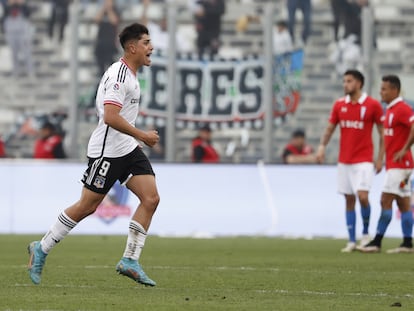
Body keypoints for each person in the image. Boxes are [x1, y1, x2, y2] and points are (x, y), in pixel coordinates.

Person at [27, 23, 160, 287]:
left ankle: (130, 260)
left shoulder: (132, 75)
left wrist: (134, 139)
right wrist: (142, 134)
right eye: (146, 42)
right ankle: (41, 247)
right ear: (132, 47)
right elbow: (110, 116)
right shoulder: (119, 76)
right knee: (88, 206)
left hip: (127, 149)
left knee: (151, 198)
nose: (151, 47)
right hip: (107, 153)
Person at [316, 69, 384, 253]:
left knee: (363, 196)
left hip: (363, 160)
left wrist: (380, 158)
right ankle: (352, 240)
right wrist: (322, 147)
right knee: (349, 200)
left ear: (359, 83)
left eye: (349, 81)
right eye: (344, 81)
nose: (345, 84)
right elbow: (330, 128)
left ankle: (365, 234)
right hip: (344, 160)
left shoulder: (372, 105)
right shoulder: (339, 105)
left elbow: (381, 132)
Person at [359, 75, 414, 254]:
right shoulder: (390, 109)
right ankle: (407, 243)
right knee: (403, 203)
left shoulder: (402, 109)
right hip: (398, 165)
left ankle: (376, 241)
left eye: (384, 89)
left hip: (400, 165)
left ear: (394, 90)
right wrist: (382, 157)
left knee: (385, 200)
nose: (380, 92)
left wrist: (405, 148)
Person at [3, 0, 35, 78]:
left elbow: (28, 14)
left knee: (27, 54)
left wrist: (22, 4)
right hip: (12, 33)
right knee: (14, 54)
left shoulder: (24, 7)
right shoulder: (7, 7)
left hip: (22, 32)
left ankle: (30, 71)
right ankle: (15, 72)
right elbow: (4, 16)